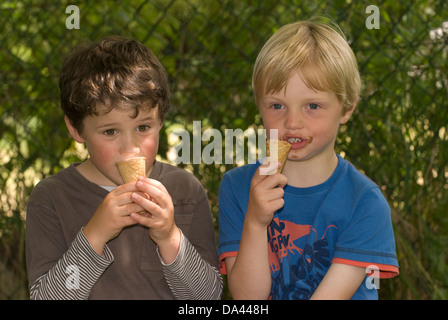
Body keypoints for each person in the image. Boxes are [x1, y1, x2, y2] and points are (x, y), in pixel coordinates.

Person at [26, 36, 222, 300]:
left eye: (143, 127)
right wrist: (94, 235)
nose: (131, 149)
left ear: (161, 119)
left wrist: (169, 237)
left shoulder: (184, 190)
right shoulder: (51, 198)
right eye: (110, 131)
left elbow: (206, 298)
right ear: (76, 128)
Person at [217, 18, 399, 300]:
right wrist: (255, 222)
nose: (292, 122)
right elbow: (246, 299)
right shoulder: (238, 187)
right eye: (277, 105)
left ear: (347, 108)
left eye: (312, 106)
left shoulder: (364, 203)